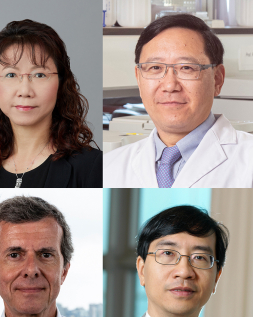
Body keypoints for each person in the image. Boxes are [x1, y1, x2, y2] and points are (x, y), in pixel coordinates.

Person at [104, 14, 253, 188]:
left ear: (217, 79)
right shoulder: (109, 166)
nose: (169, 85)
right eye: (155, 68)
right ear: (139, 78)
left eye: (186, 68)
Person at [104, 205, 253, 317]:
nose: (184, 271)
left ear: (216, 277)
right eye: (168, 253)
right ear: (142, 270)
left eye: (199, 257)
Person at [0, 20, 102, 188]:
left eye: (39, 75)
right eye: (11, 75)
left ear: (60, 84)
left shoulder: (93, 167)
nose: (25, 90)